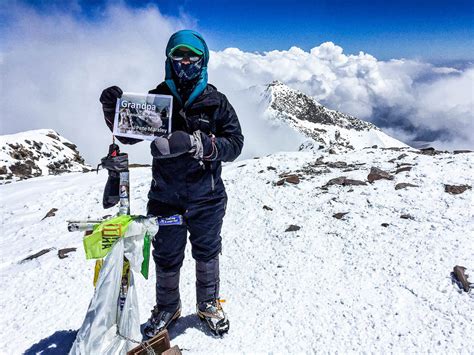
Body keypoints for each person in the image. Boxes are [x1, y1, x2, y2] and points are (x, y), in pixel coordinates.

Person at [99, 30, 244, 337]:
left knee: (206, 251)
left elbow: (235, 143)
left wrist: (199, 143)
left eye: (192, 56)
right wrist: (114, 112)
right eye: (178, 56)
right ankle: (168, 307)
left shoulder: (216, 102)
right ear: (169, 60)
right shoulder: (157, 99)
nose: (185, 62)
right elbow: (128, 134)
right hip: (166, 196)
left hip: (207, 197)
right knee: (166, 253)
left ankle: (208, 304)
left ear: (203, 61)